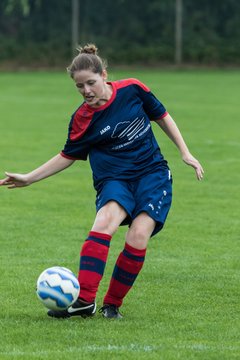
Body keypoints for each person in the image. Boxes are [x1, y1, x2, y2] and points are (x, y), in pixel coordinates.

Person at [0, 44, 204, 319]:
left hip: (152, 174)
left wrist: (185, 151)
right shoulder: (82, 119)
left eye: (91, 83)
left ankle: (112, 304)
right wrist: (30, 178)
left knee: (139, 235)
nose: (86, 91)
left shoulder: (132, 89)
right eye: (79, 86)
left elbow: (161, 116)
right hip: (114, 179)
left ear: (104, 75)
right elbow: (67, 156)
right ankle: (84, 301)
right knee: (104, 222)